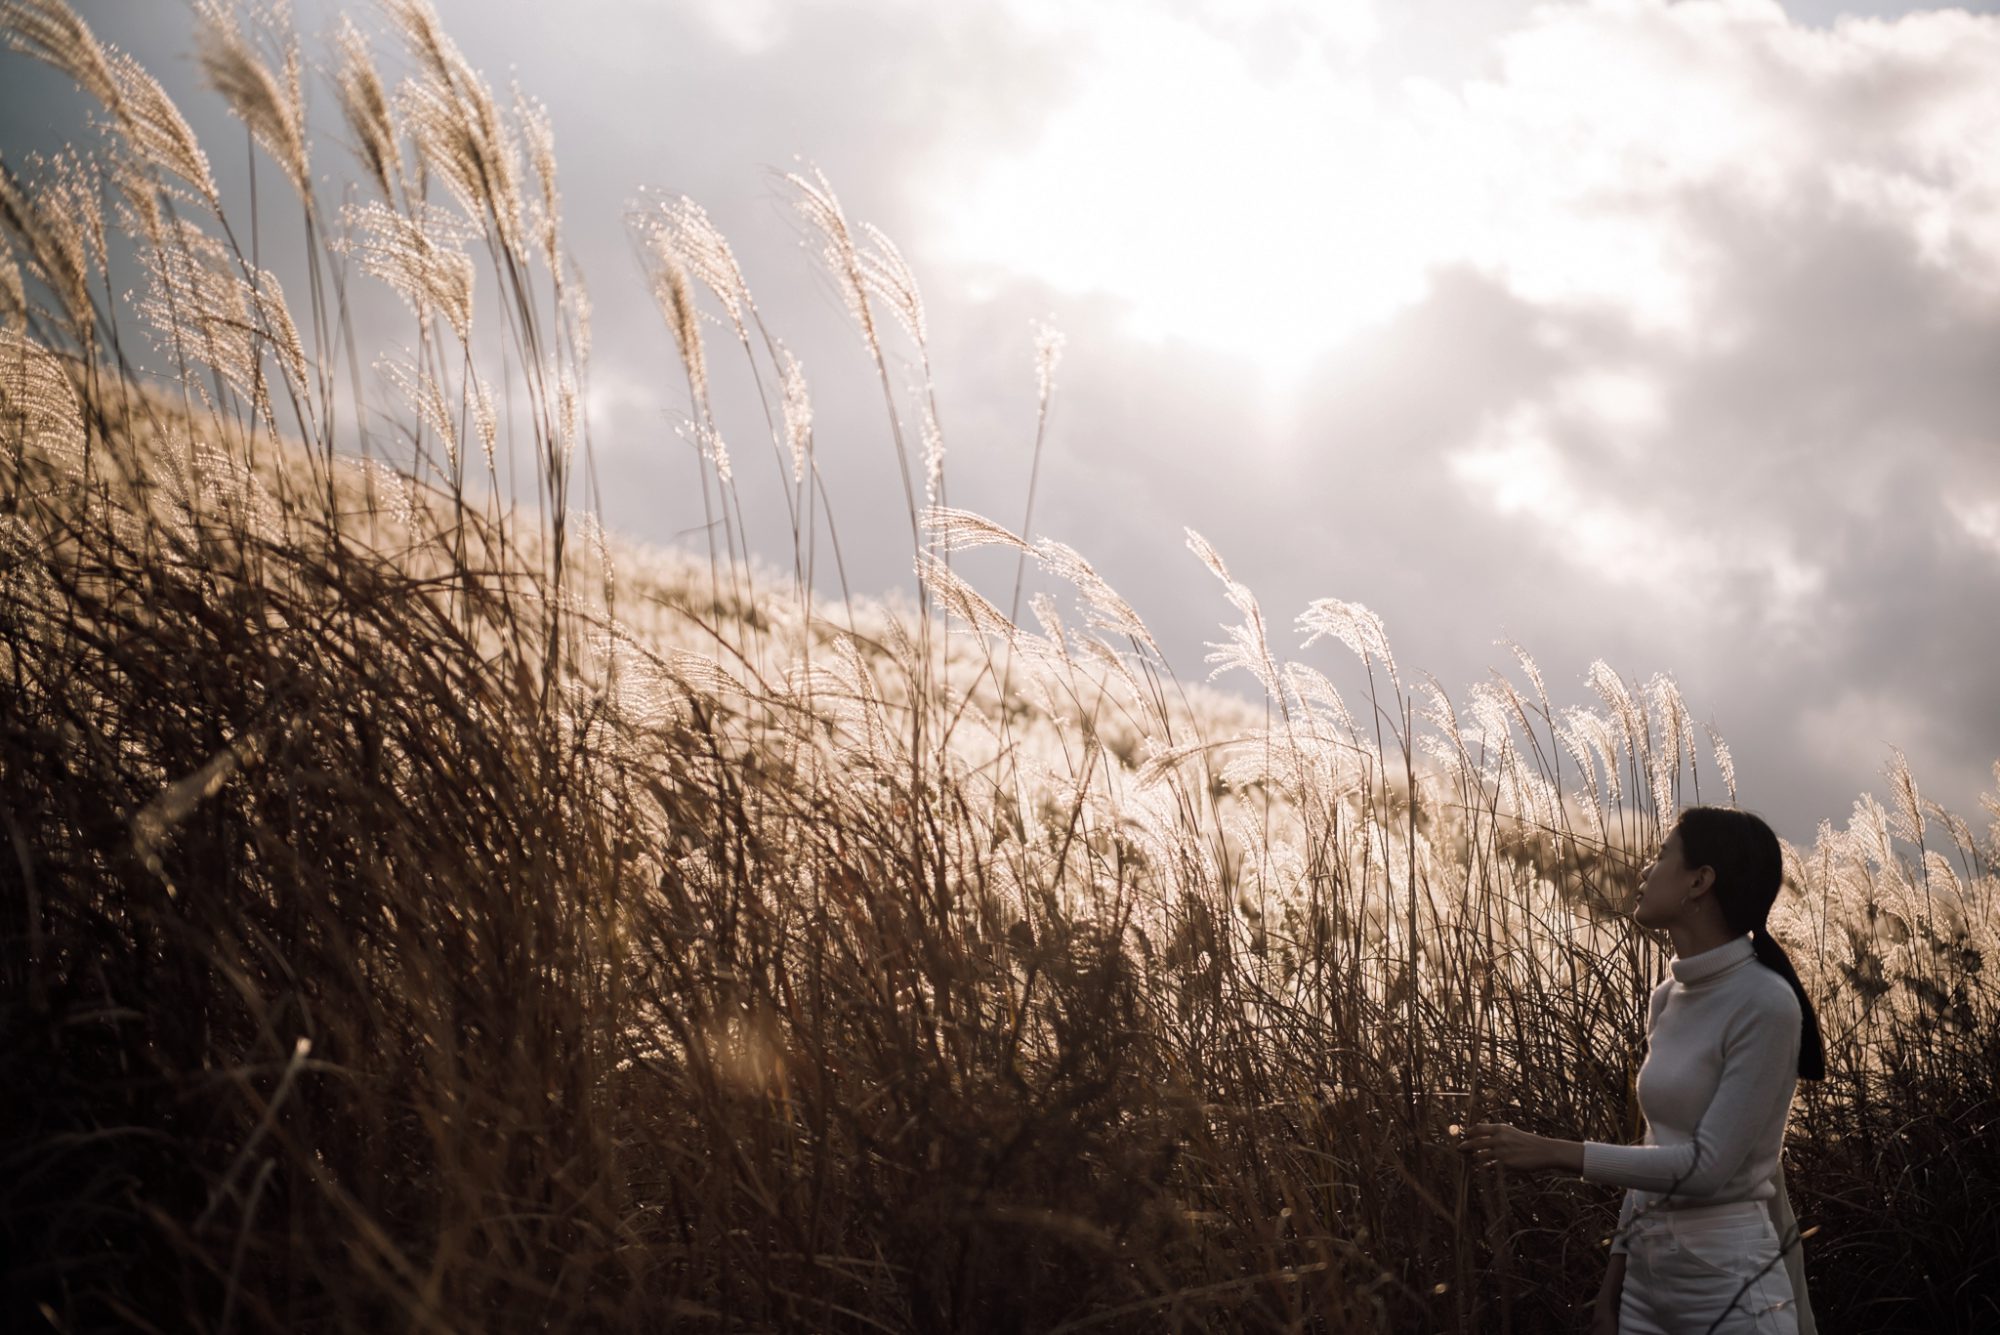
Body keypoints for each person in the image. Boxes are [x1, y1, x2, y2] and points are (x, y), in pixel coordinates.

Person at [1462, 807, 1823, 1335]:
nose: (1644, 872)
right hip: (1645, 1293)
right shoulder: (1666, 998)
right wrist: (1613, 1290)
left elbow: (1707, 1168)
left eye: (1660, 857)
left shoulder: (1765, 1003)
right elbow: (1657, 1151)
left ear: (1699, 881)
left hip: (1731, 1287)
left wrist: (1557, 1153)